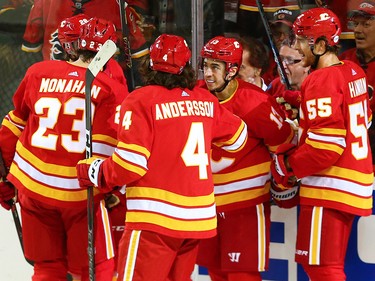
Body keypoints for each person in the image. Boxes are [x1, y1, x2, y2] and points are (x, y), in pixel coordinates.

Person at [75, 33, 249, 281]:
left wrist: (95, 171)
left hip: (154, 221)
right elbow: (238, 139)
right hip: (197, 222)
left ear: (150, 64)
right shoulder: (206, 100)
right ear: (188, 67)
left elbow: (130, 166)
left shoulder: (141, 100)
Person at [0, 17, 128, 280]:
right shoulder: (110, 89)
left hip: (33, 189)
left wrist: (4, 180)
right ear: (108, 52)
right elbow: (110, 150)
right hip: (79, 196)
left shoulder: (38, 73)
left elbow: (12, 126)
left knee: (47, 267)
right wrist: (113, 189)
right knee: (96, 267)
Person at [270, 8, 374, 281]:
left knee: (321, 267)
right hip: (355, 180)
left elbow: (325, 148)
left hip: (331, 185)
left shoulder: (319, 79)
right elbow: (362, 119)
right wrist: (303, 106)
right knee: (327, 266)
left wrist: (288, 166)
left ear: (320, 45)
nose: (297, 46)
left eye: (303, 40)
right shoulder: (352, 70)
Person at [196, 36, 294, 281]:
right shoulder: (195, 97)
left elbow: (283, 142)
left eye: (215, 67)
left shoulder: (256, 102)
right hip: (206, 204)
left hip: (245, 205)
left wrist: (283, 180)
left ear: (232, 70)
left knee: (242, 275)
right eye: (205, 66)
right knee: (215, 271)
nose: (208, 74)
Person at [340, 0, 375, 170]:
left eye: (366, 24)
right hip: (347, 151)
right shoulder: (342, 61)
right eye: (356, 24)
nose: (358, 30)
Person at [267, 39, 311, 121]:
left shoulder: (317, 88)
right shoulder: (275, 85)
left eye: (289, 60)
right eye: (280, 60)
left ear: (307, 65)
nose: (282, 66)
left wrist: (299, 100)